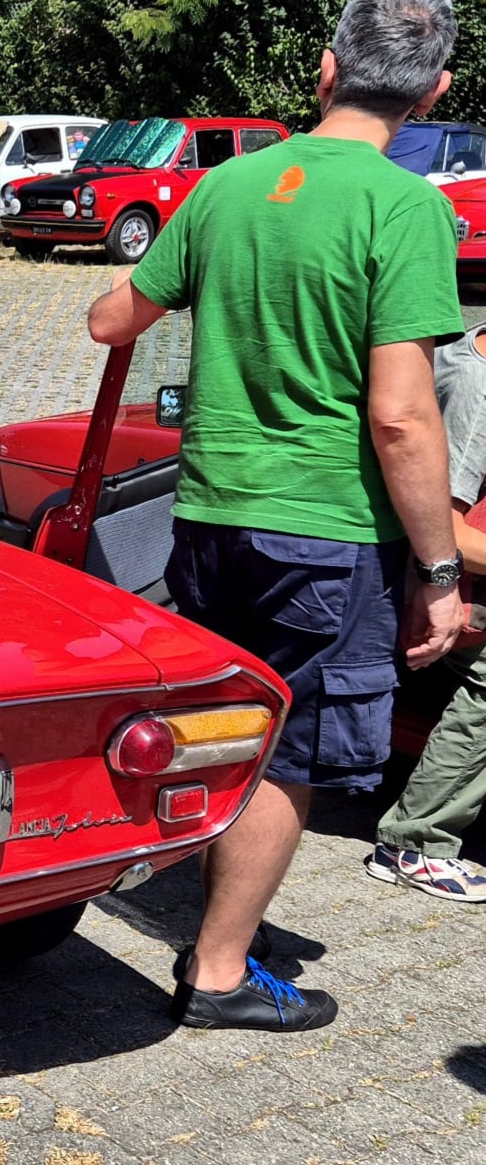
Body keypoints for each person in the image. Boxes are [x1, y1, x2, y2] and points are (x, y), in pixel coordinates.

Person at [87, 0, 466, 1031]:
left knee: (219, 719)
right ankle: (215, 973)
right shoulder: (406, 208)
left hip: (207, 513)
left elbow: (107, 317)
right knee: (288, 753)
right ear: (435, 93)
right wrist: (437, 574)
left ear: (321, 67)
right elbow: (398, 416)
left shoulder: (225, 183)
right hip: (327, 531)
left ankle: (147, 879)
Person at [369, 323, 486, 903]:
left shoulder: (467, 347)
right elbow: (451, 531)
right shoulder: (476, 388)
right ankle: (415, 842)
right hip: (445, 582)